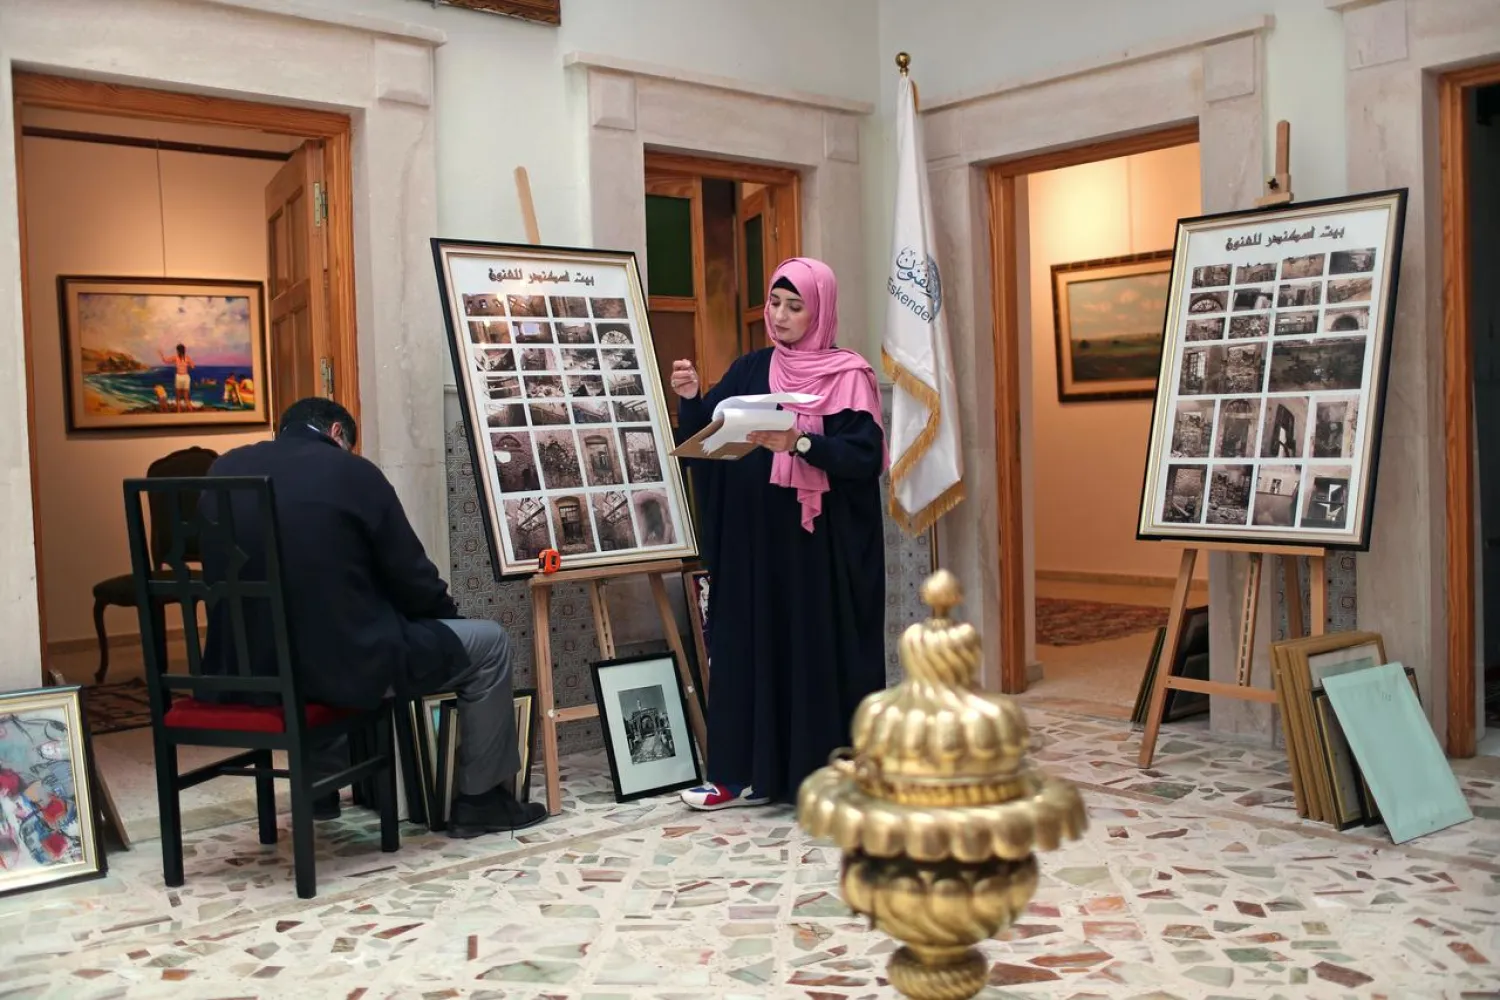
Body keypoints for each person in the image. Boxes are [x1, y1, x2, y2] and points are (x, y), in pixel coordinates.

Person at [200, 397, 545, 837]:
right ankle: (482, 802)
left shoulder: (224, 469)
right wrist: (445, 619)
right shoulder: (352, 472)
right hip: (345, 664)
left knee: (312, 630)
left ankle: (319, 792)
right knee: (489, 643)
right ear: (338, 435)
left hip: (246, 668)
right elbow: (411, 575)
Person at [671, 257, 887, 810]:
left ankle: (825, 777)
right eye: (775, 303)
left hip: (817, 549)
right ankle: (731, 774)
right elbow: (709, 442)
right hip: (755, 545)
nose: (782, 315)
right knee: (744, 648)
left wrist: (801, 443)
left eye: (796, 306)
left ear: (820, 310)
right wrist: (694, 398)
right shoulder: (749, 369)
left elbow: (864, 459)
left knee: (813, 653)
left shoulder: (849, 376)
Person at [159, 343, 195, 413]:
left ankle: (179, 413)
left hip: (179, 377)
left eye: (177, 350)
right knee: (186, 397)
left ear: (178, 350)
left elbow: (165, 361)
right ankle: (192, 413)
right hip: (186, 377)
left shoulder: (176, 357)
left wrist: (161, 354)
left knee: (178, 398)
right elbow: (193, 366)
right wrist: (187, 366)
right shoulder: (186, 357)